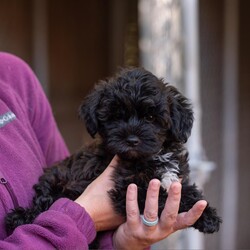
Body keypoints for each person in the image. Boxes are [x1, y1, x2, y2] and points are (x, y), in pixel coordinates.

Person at [0, 52, 207, 249]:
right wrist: (85, 215)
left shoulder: (14, 76)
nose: (133, 135)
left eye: (150, 119)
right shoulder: (105, 162)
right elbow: (109, 201)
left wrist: (121, 242)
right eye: (118, 118)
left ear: (173, 123)